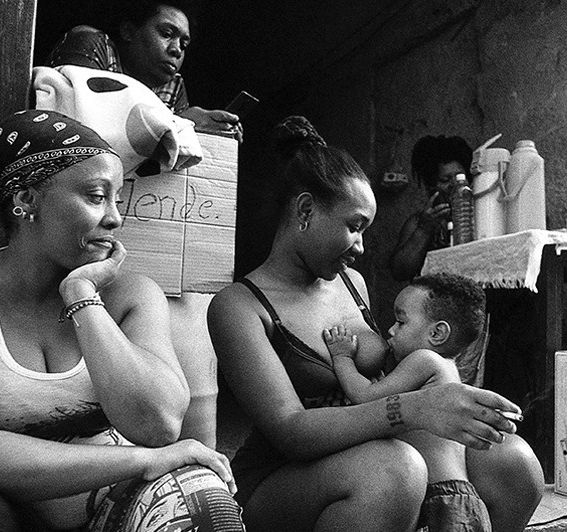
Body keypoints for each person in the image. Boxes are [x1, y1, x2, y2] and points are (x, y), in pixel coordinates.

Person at [0, 110, 243, 531]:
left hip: (115, 509)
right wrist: (141, 460)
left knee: (202, 499)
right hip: (8, 515)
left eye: (117, 199)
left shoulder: (130, 294)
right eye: (96, 196)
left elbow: (160, 424)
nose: (114, 218)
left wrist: (81, 298)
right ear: (26, 200)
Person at [207, 116, 544, 532]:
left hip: (371, 448)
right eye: (354, 227)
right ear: (306, 210)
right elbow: (289, 430)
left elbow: (390, 374)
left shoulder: (353, 284)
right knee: (394, 471)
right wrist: (415, 409)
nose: (362, 247)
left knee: (515, 463)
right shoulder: (238, 305)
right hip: (283, 480)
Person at [324, 273, 497, 531]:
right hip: (462, 502)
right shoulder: (449, 368)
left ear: (437, 333)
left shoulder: (425, 360)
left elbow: (366, 398)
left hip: (439, 501)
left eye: (401, 321)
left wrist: (342, 358)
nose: (391, 330)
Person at [45, 1, 243, 142]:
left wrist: (213, 135)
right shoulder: (92, 43)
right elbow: (74, 123)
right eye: (166, 34)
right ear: (128, 31)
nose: (176, 50)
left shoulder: (172, 85)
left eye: (184, 44)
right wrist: (183, 123)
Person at [390, 135, 474, 281]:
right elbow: (399, 272)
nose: (455, 185)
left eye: (459, 177)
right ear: (431, 187)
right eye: (445, 180)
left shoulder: (481, 214)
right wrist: (424, 230)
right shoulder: (419, 222)